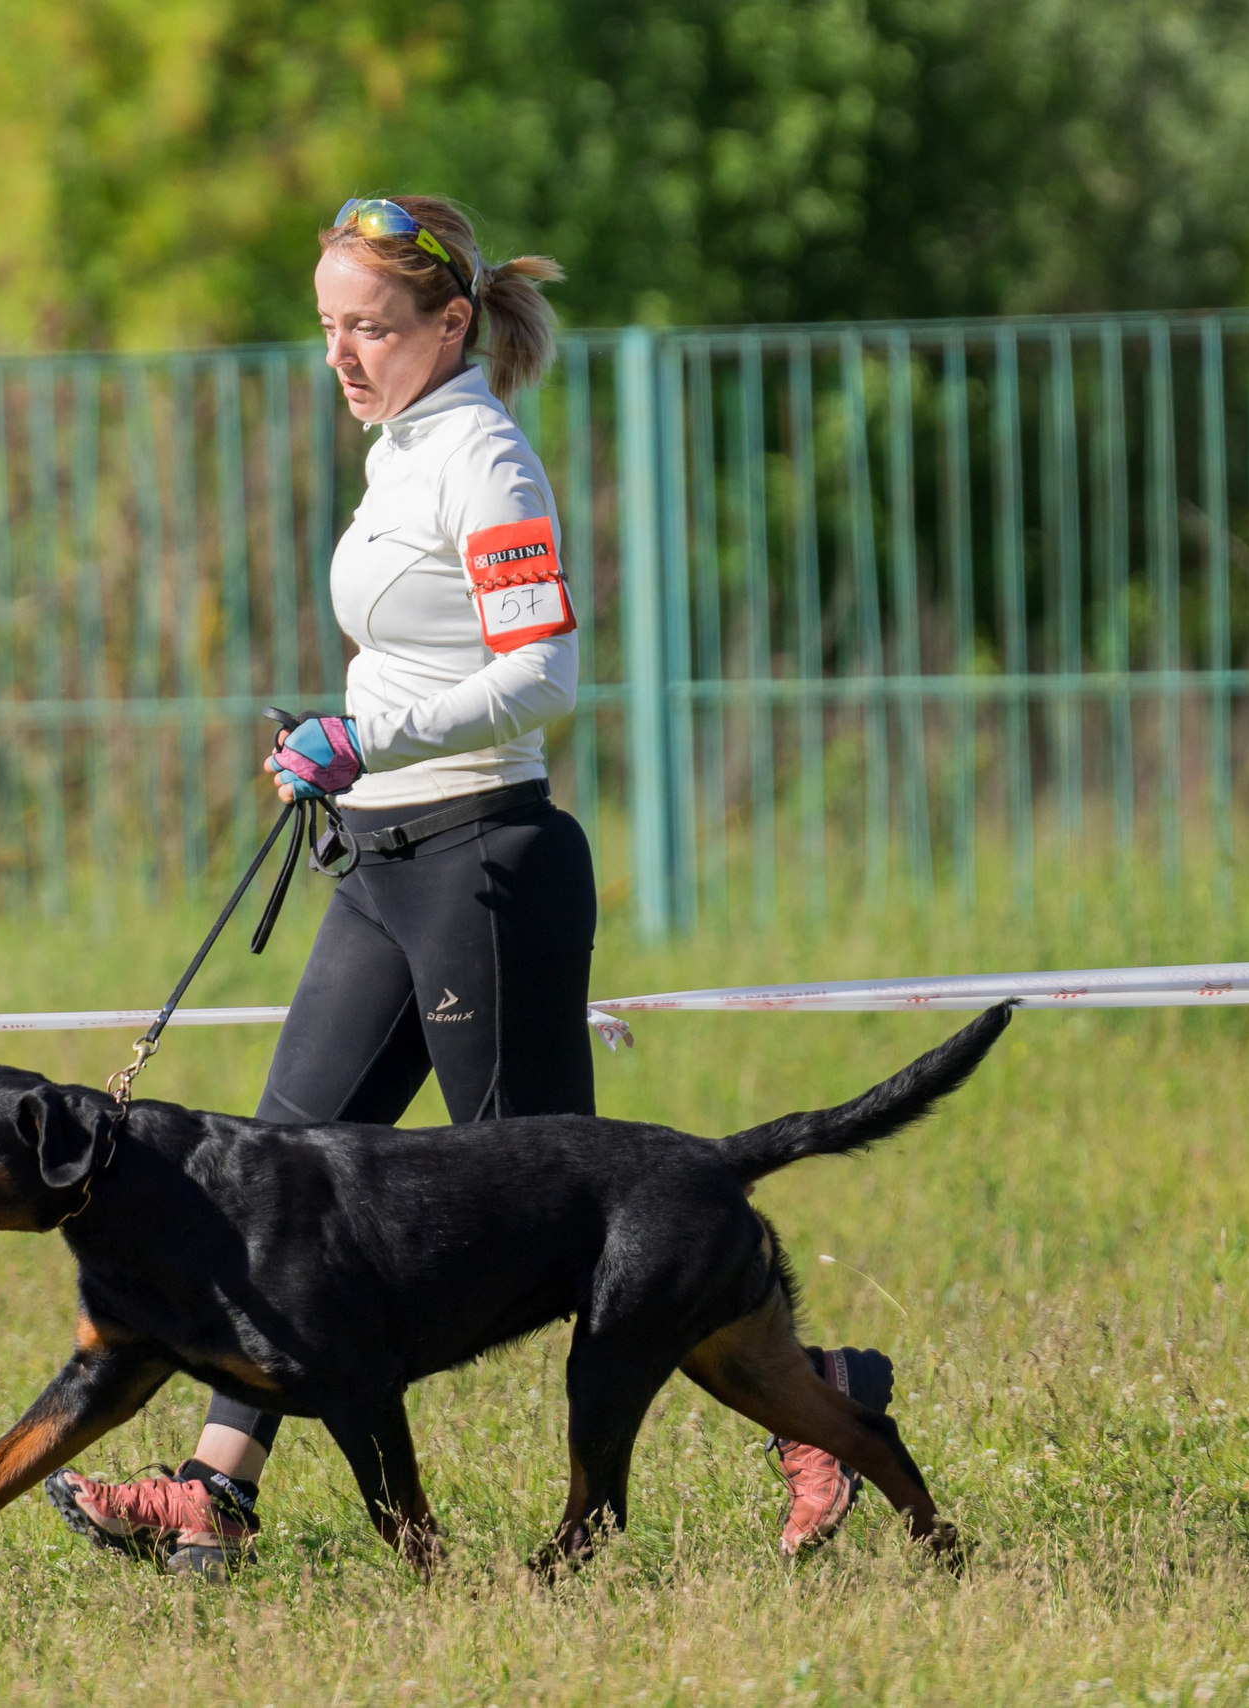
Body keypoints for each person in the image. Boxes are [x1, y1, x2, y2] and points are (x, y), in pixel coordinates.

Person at [44, 195, 894, 1577]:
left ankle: (822, 1403)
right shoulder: (401, 450)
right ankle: (214, 1492)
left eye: (370, 328)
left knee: (586, 1228)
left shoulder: (484, 458)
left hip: (480, 873)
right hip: (380, 865)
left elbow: (541, 676)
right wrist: (334, 742)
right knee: (263, 1186)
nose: (344, 355)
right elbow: (423, 657)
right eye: (328, 327)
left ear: (453, 324)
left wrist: (365, 735)